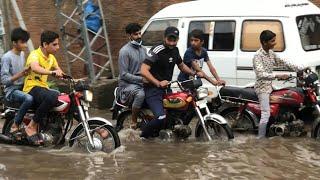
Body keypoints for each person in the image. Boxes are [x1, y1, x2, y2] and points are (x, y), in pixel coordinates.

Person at [140, 26, 204, 138]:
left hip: (167, 88)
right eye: (170, 39)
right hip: (153, 89)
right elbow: (143, 70)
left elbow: (182, 65)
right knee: (161, 117)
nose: (172, 42)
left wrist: (194, 74)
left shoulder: (175, 50)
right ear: (164, 38)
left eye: (174, 39)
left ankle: (172, 132)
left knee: (178, 111)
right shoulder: (157, 50)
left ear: (177, 39)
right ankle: (143, 136)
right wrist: (157, 83)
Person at [253, 30, 304, 139]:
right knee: (265, 114)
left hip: (271, 85)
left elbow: (284, 63)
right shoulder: (258, 56)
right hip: (262, 88)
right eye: (272, 41)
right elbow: (260, 74)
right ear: (264, 42)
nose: (274, 43)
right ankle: (260, 139)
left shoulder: (271, 54)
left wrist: (301, 68)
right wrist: (277, 76)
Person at [23, 30, 64, 145]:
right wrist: (51, 72)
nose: (58, 47)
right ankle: (31, 126)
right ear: (45, 45)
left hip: (43, 89)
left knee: (67, 99)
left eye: (58, 44)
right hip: (31, 88)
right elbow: (35, 68)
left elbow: (60, 72)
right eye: (54, 44)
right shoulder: (34, 55)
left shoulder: (51, 58)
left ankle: (96, 128)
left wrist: (74, 80)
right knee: (53, 95)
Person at [1, 27, 33, 134]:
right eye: (22, 42)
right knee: (28, 99)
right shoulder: (7, 57)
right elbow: (4, 81)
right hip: (11, 90)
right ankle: (16, 124)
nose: (25, 45)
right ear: (14, 43)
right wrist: (21, 74)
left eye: (26, 42)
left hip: (22, 86)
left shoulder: (22, 54)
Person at [118, 23, 147, 129]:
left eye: (140, 33)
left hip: (142, 82)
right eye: (136, 34)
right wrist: (142, 80)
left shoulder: (143, 49)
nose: (139, 36)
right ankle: (134, 121)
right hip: (127, 85)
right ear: (129, 36)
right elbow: (124, 74)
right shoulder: (124, 51)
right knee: (141, 94)